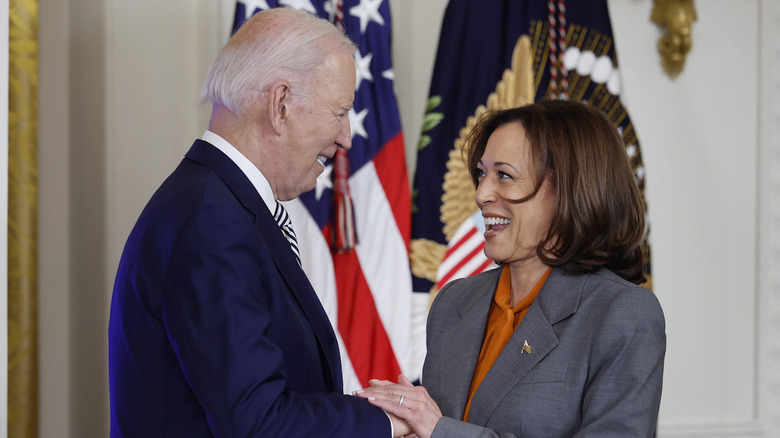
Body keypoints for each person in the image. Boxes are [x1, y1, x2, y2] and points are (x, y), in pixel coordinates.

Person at [108, 8, 410, 437]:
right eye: (339, 112)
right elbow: (257, 422)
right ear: (280, 104)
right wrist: (387, 422)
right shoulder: (210, 221)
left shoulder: (214, 203)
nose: (346, 138)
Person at [356, 100, 666, 437]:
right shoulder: (454, 303)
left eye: (504, 175)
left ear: (570, 189)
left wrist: (439, 431)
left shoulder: (622, 313)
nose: (481, 193)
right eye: (482, 174)